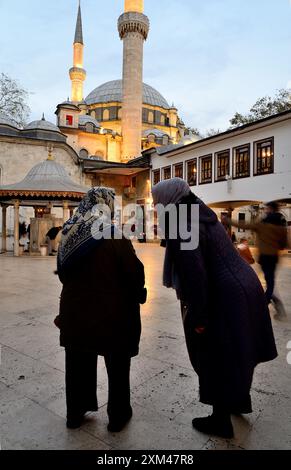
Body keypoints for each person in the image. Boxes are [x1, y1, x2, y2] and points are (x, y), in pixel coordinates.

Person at [152, 178, 277, 439]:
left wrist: (199, 315)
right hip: (244, 285)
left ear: (169, 199)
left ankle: (220, 421)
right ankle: (239, 402)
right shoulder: (200, 212)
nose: (155, 205)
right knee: (236, 349)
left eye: (157, 200)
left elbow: (194, 274)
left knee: (214, 353)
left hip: (225, 293)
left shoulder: (182, 224)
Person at [55, 188, 145, 432]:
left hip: (75, 314)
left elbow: (63, 274)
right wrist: (140, 294)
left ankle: (75, 413)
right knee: (117, 366)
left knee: (77, 364)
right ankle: (118, 416)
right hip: (112, 315)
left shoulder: (68, 233)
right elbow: (134, 273)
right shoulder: (113, 235)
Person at [231, 202, 287, 318]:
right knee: (269, 281)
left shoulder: (262, 224)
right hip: (273, 257)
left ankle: (264, 304)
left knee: (268, 283)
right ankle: (273, 304)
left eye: (267, 209)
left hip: (264, 257)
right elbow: (283, 244)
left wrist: (227, 221)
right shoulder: (281, 226)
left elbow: (246, 225)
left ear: (271, 209)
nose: (265, 210)